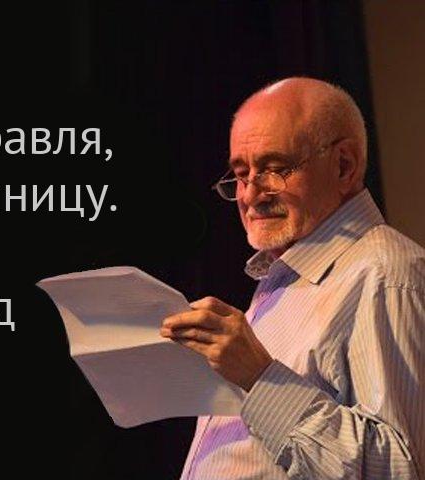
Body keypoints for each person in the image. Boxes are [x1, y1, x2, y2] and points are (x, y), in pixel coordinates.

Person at [160, 77, 423, 479]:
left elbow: (401, 468)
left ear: (344, 165)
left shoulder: (387, 275)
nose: (250, 195)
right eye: (241, 174)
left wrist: (260, 377)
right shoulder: (284, 280)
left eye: (275, 169)